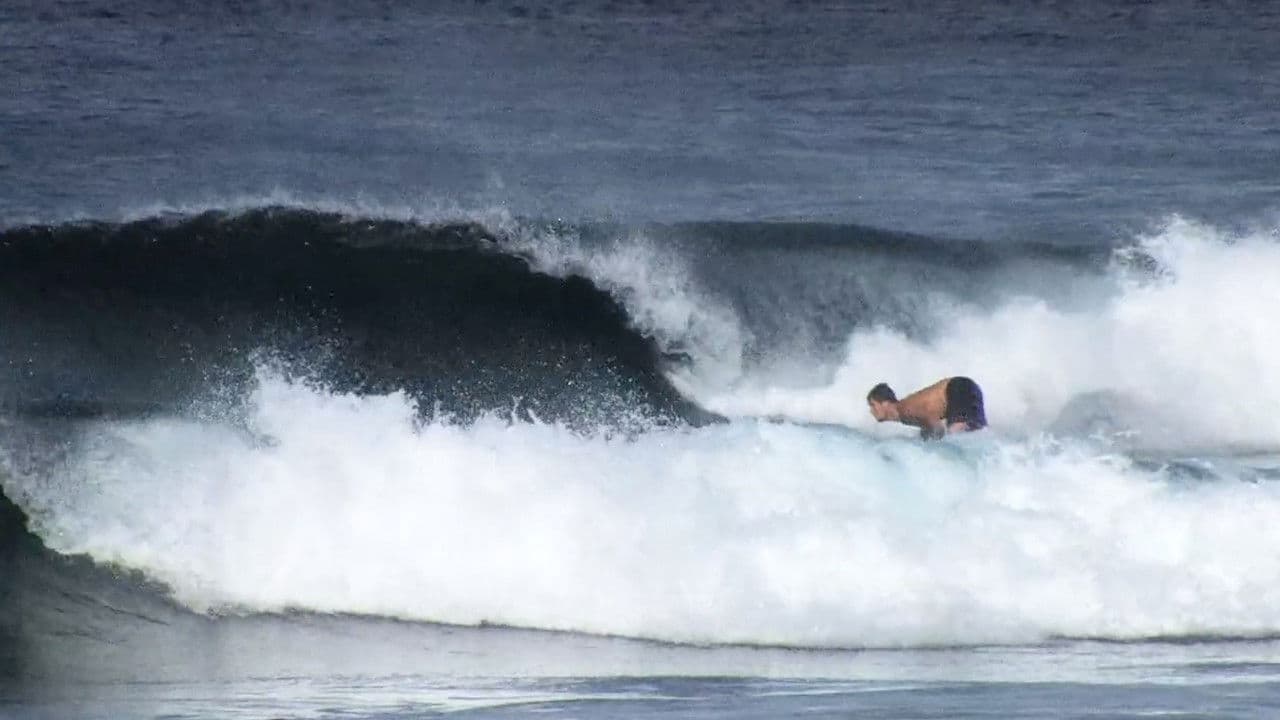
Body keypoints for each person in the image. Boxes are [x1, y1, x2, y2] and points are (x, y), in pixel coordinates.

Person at [866, 377, 987, 440]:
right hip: (965, 388)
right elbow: (929, 424)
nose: (871, 411)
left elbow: (935, 425)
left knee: (956, 435)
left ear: (885, 403)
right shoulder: (904, 413)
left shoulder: (905, 409)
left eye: (873, 404)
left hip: (958, 389)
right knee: (979, 434)